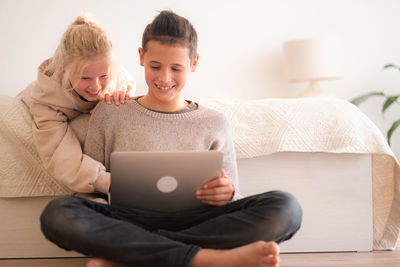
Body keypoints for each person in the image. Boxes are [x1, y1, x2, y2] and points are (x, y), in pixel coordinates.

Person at [40, 11, 302, 267]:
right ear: (141, 57)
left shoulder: (214, 122)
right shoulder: (110, 112)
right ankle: (204, 258)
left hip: (199, 221)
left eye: (176, 68)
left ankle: (131, 256)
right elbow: (90, 191)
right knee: (58, 213)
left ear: (194, 63)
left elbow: (233, 196)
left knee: (286, 207)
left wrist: (228, 193)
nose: (164, 78)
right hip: (130, 221)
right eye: (155, 66)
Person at [19, 15, 135, 195]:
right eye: (85, 78)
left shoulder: (112, 73)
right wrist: (107, 182)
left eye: (103, 76)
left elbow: (127, 83)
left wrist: (114, 99)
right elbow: (62, 159)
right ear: (64, 71)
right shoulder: (45, 100)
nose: (96, 86)